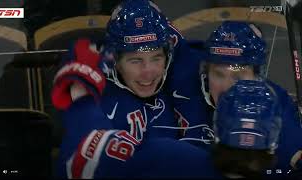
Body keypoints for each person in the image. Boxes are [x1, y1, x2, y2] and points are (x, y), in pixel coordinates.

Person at [51, 0, 213, 178]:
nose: (148, 73)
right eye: (135, 60)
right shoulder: (93, 92)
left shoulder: (189, 81)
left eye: (156, 58)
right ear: (114, 60)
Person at [169, 21, 302, 176]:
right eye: (219, 74)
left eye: (238, 76)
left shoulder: (277, 111)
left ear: (257, 77)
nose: (227, 88)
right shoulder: (185, 74)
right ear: (205, 73)